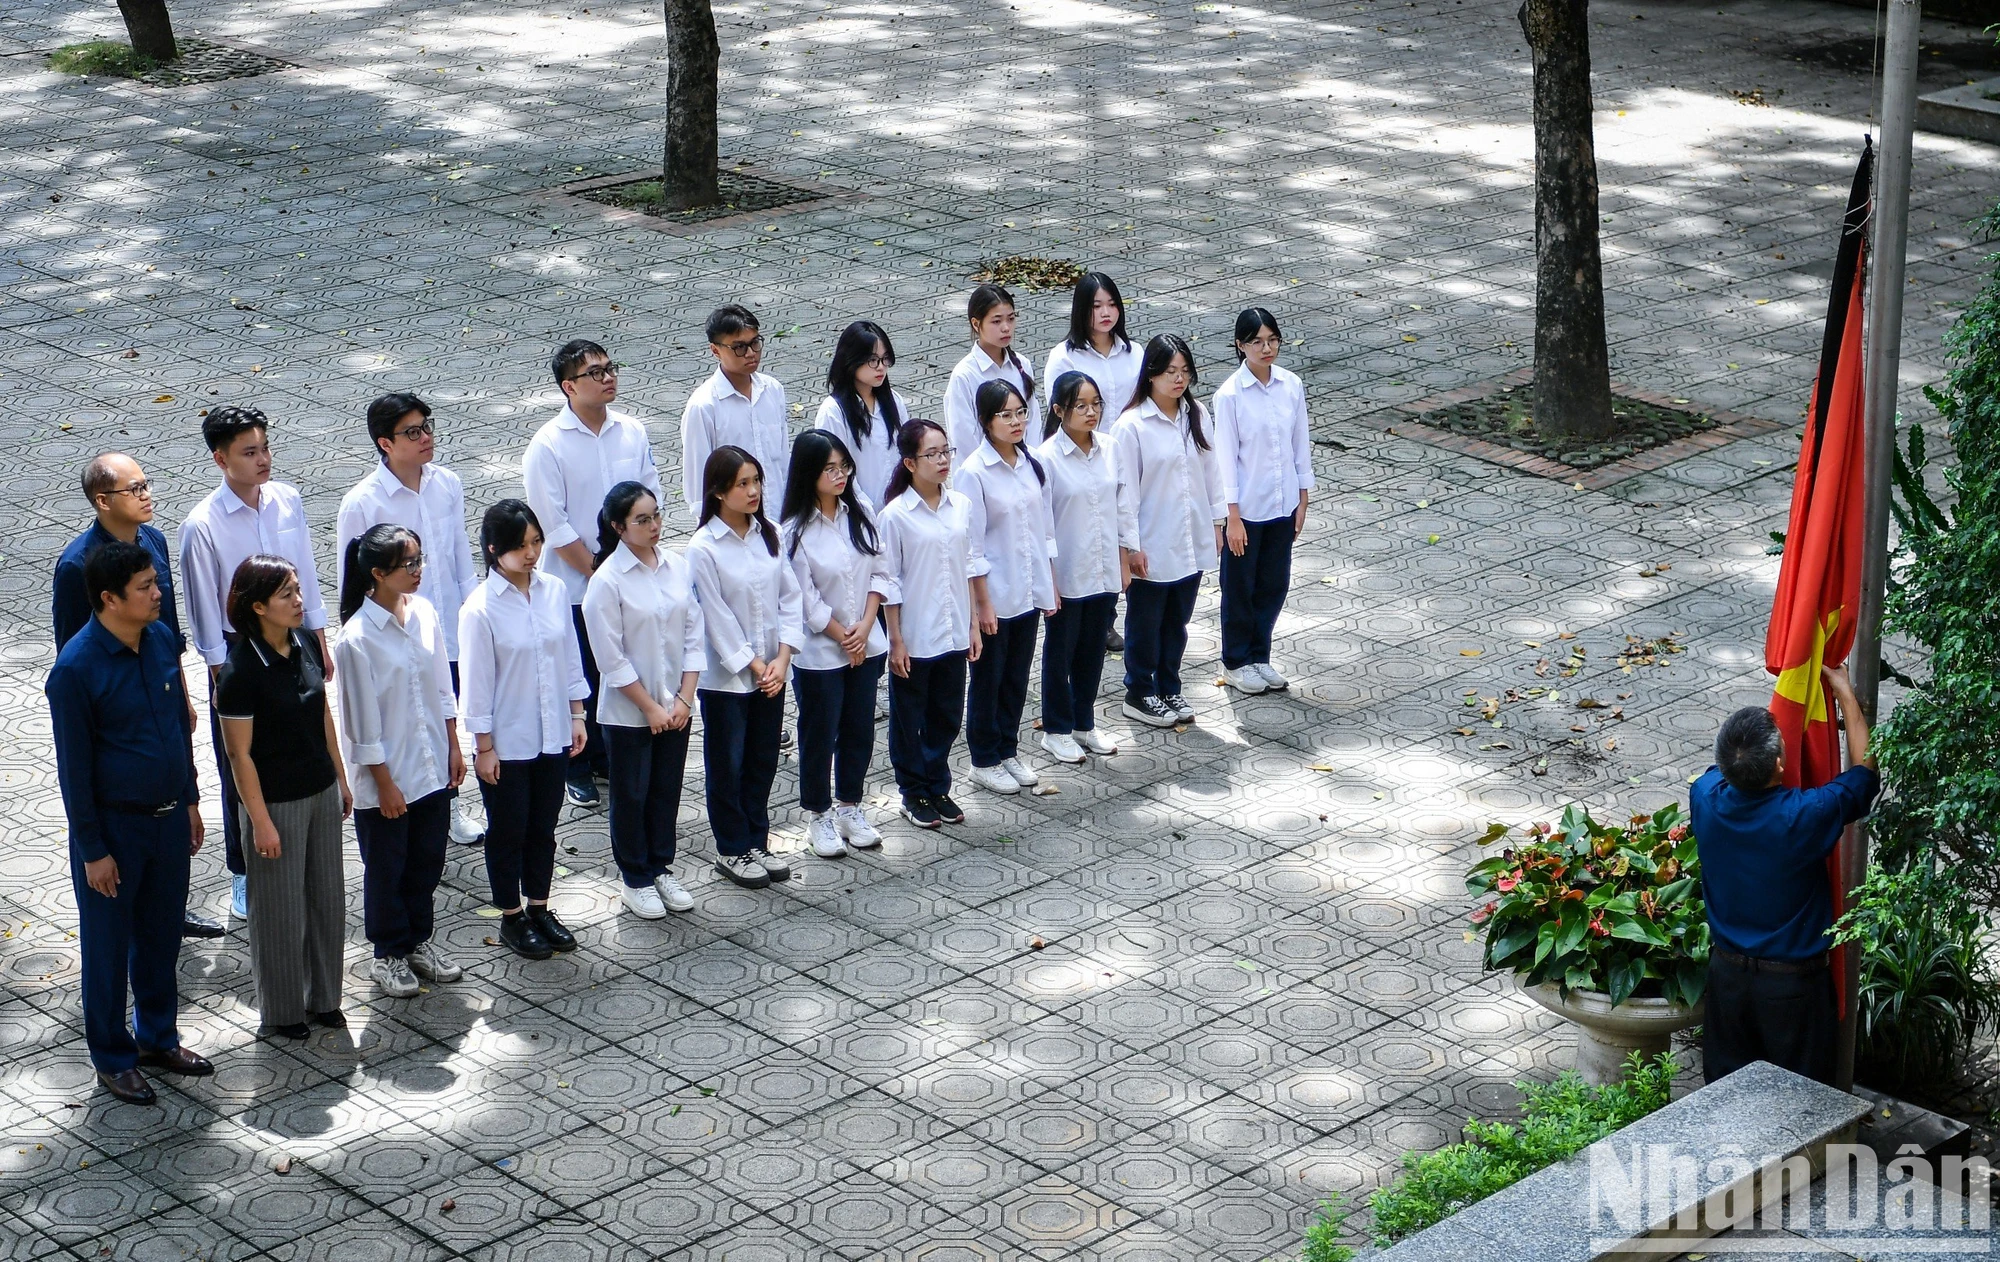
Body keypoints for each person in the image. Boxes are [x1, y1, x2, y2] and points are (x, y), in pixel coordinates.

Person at [47, 541, 214, 1104]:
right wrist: (93, 849)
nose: (158, 593)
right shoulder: (75, 670)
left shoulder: (161, 638)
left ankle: (157, 1037)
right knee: (108, 946)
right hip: (114, 832)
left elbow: (174, 729)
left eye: (155, 582)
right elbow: (75, 771)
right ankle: (112, 1057)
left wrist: (190, 798)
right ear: (108, 599)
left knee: (161, 934)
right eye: (144, 587)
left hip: (168, 820)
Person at [53, 452, 222, 940]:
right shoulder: (76, 566)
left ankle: (170, 908)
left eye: (147, 483)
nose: (147, 495)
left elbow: (165, 630)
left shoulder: (154, 541)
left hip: (159, 686)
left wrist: (182, 696)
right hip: (112, 703)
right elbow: (74, 655)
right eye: (134, 488)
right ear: (103, 501)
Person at [1692, 668, 1881, 1087]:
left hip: (1726, 982)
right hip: (1792, 990)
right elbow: (1865, 772)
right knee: (1799, 1111)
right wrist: (1846, 694)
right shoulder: (1803, 816)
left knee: (1725, 1103)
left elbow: (1723, 768)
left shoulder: (1704, 796)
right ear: (1780, 763)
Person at [178, 406, 331, 920]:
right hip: (240, 651)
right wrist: (223, 675)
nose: (263, 459)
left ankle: (306, 839)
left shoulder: (287, 499)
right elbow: (203, 605)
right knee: (238, 760)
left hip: (294, 638)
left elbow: (304, 566)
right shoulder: (203, 524)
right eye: (249, 452)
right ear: (220, 459)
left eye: (265, 447)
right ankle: (242, 869)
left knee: (303, 736)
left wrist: (319, 634)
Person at [337, 392, 483, 845]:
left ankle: (448, 800)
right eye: (412, 432)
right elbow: (353, 576)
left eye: (427, 426)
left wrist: (472, 611)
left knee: (446, 711)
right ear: (385, 442)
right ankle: (405, 795)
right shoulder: (361, 502)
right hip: (392, 632)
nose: (426, 438)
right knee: (404, 718)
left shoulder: (447, 484)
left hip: (444, 626)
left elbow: (459, 554)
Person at [216, 556, 352, 1039]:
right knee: (278, 908)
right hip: (274, 802)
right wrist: (260, 821)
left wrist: (340, 775)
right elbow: (239, 755)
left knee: (326, 898)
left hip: (319, 789)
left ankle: (324, 999)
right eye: (287, 595)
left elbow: (323, 715)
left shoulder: (304, 643)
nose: (299, 601)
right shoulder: (240, 671)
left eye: (298, 590)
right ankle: (283, 1010)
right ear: (257, 606)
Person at [523, 339, 661, 808]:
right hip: (577, 585)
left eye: (609, 368)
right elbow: (554, 523)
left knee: (620, 667)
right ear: (568, 387)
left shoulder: (632, 431)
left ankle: (606, 756)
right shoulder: (548, 445)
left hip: (632, 577)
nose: (607, 378)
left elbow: (649, 494)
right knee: (579, 676)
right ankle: (575, 765)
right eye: (594, 373)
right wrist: (601, 575)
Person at [335, 524, 465, 999]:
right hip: (387, 779)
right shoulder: (356, 639)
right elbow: (361, 726)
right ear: (377, 574)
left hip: (430, 766)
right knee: (387, 867)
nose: (418, 571)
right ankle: (386, 953)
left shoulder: (425, 613)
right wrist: (385, 784)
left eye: (418, 560)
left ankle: (417, 942)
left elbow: (441, 688)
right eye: (407, 565)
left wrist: (453, 744)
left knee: (427, 860)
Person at [459, 501, 590, 960]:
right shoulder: (479, 609)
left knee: (544, 826)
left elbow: (569, 657)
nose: (532, 553)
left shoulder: (553, 590)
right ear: (495, 550)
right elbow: (476, 686)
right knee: (508, 830)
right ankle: (511, 916)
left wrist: (577, 715)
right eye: (520, 546)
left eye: (536, 542)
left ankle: (540, 906)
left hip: (553, 729)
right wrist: (483, 747)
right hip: (507, 740)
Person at [583, 482, 705, 919]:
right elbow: (610, 660)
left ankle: (660, 866)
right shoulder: (607, 582)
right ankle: (635, 877)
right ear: (618, 527)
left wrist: (683, 700)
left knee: (665, 789)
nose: (654, 526)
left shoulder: (676, 565)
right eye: (642, 519)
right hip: (629, 712)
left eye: (656, 515)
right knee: (631, 793)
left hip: (676, 706)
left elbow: (694, 633)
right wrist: (650, 707)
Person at [689, 447, 803, 889]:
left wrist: (782, 657)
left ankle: (758, 838)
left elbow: (790, 596)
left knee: (762, 759)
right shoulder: (703, 548)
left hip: (773, 672)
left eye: (756, 480)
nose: (754, 491)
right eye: (742, 484)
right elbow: (715, 616)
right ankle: (732, 846)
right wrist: (756, 664)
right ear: (718, 491)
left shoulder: (768, 532)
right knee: (727, 762)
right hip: (728, 679)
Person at [780, 430, 891, 858]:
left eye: (844, 466)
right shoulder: (795, 530)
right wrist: (843, 636)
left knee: (859, 728)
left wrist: (865, 626)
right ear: (810, 474)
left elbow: (881, 571)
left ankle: (850, 805)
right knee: (818, 732)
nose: (840, 475)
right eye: (830, 469)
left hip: (865, 641)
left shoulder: (859, 510)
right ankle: (818, 813)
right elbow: (805, 599)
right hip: (821, 652)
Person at [1110, 334, 1225, 729]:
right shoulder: (1132, 426)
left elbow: (1212, 472)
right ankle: (1139, 691)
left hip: (1191, 537)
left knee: (1177, 620)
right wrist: (1130, 545)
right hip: (1152, 541)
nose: (1179, 380)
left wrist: (1217, 522)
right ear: (1151, 375)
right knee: (1146, 621)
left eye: (1185, 371)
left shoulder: (1196, 414)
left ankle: (1169, 684)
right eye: (1170, 372)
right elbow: (1124, 492)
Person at [958, 381, 1059, 795]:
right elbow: (971, 547)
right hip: (994, 594)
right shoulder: (973, 473)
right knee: (989, 677)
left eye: (1021, 413)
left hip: (1028, 588)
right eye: (1006, 415)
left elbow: (1044, 529)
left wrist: (1049, 584)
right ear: (985, 421)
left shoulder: (1032, 463)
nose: (1016, 421)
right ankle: (983, 758)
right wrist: (981, 605)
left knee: (1017, 676)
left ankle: (1008, 747)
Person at [879, 420, 979, 829]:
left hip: (953, 628)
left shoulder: (961, 506)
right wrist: (896, 640)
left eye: (945, 452)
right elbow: (889, 581)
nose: (942, 461)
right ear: (909, 462)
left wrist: (973, 625)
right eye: (931, 454)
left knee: (947, 713)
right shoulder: (895, 516)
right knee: (909, 717)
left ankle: (938, 784)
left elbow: (968, 567)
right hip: (916, 634)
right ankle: (913, 790)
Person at [1213, 308, 1313, 696]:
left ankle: (1260, 655)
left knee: (1274, 584)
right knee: (1240, 587)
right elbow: (1225, 460)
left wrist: (1302, 498)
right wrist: (1231, 516)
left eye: (1272, 340)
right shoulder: (1230, 396)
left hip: (1282, 501)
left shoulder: (1291, 385)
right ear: (1240, 346)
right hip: (1247, 508)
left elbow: (1299, 445)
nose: (1266, 348)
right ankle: (1236, 660)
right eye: (1256, 342)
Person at [1043, 272, 1139, 656]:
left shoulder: (1135, 353)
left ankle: (1112, 611)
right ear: (1081, 310)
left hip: (1122, 459)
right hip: (1077, 460)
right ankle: (1096, 621)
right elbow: (1057, 413)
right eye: (1096, 306)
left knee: (1121, 532)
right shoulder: (1064, 356)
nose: (1106, 313)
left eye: (1112, 304)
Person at [1034, 373, 1125, 762]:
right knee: (1061, 651)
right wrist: (1048, 578)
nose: (1091, 413)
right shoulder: (1045, 458)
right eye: (1081, 406)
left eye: (1096, 404)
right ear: (1059, 410)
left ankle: (1083, 723)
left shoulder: (1110, 448)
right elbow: (1043, 524)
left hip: (1103, 566)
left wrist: (1125, 559)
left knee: (1093, 648)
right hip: (1067, 571)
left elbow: (1124, 506)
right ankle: (1055, 728)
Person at [681, 305, 790, 513]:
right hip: (734, 525)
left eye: (755, 343)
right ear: (715, 350)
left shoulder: (773, 390)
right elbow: (698, 482)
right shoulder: (704, 406)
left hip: (777, 519)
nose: (750, 354)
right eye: (739, 347)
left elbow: (782, 461)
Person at [814, 320, 906, 512]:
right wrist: (865, 509)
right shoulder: (833, 412)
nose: (881, 367)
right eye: (873, 360)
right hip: (857, 512)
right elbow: (836, 470)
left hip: (899, 510)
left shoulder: (894, 402)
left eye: (885, 359)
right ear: (851, 360)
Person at [943, 284, 1034, 469]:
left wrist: (1030, 464)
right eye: (996, 321)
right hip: (986, 472)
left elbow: (1032, 423)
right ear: (976, 324)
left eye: (1011, 319)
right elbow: (964, 438)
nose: (1006, 328)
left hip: (1023, 466)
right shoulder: (965, 375)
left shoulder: (1022, 365)